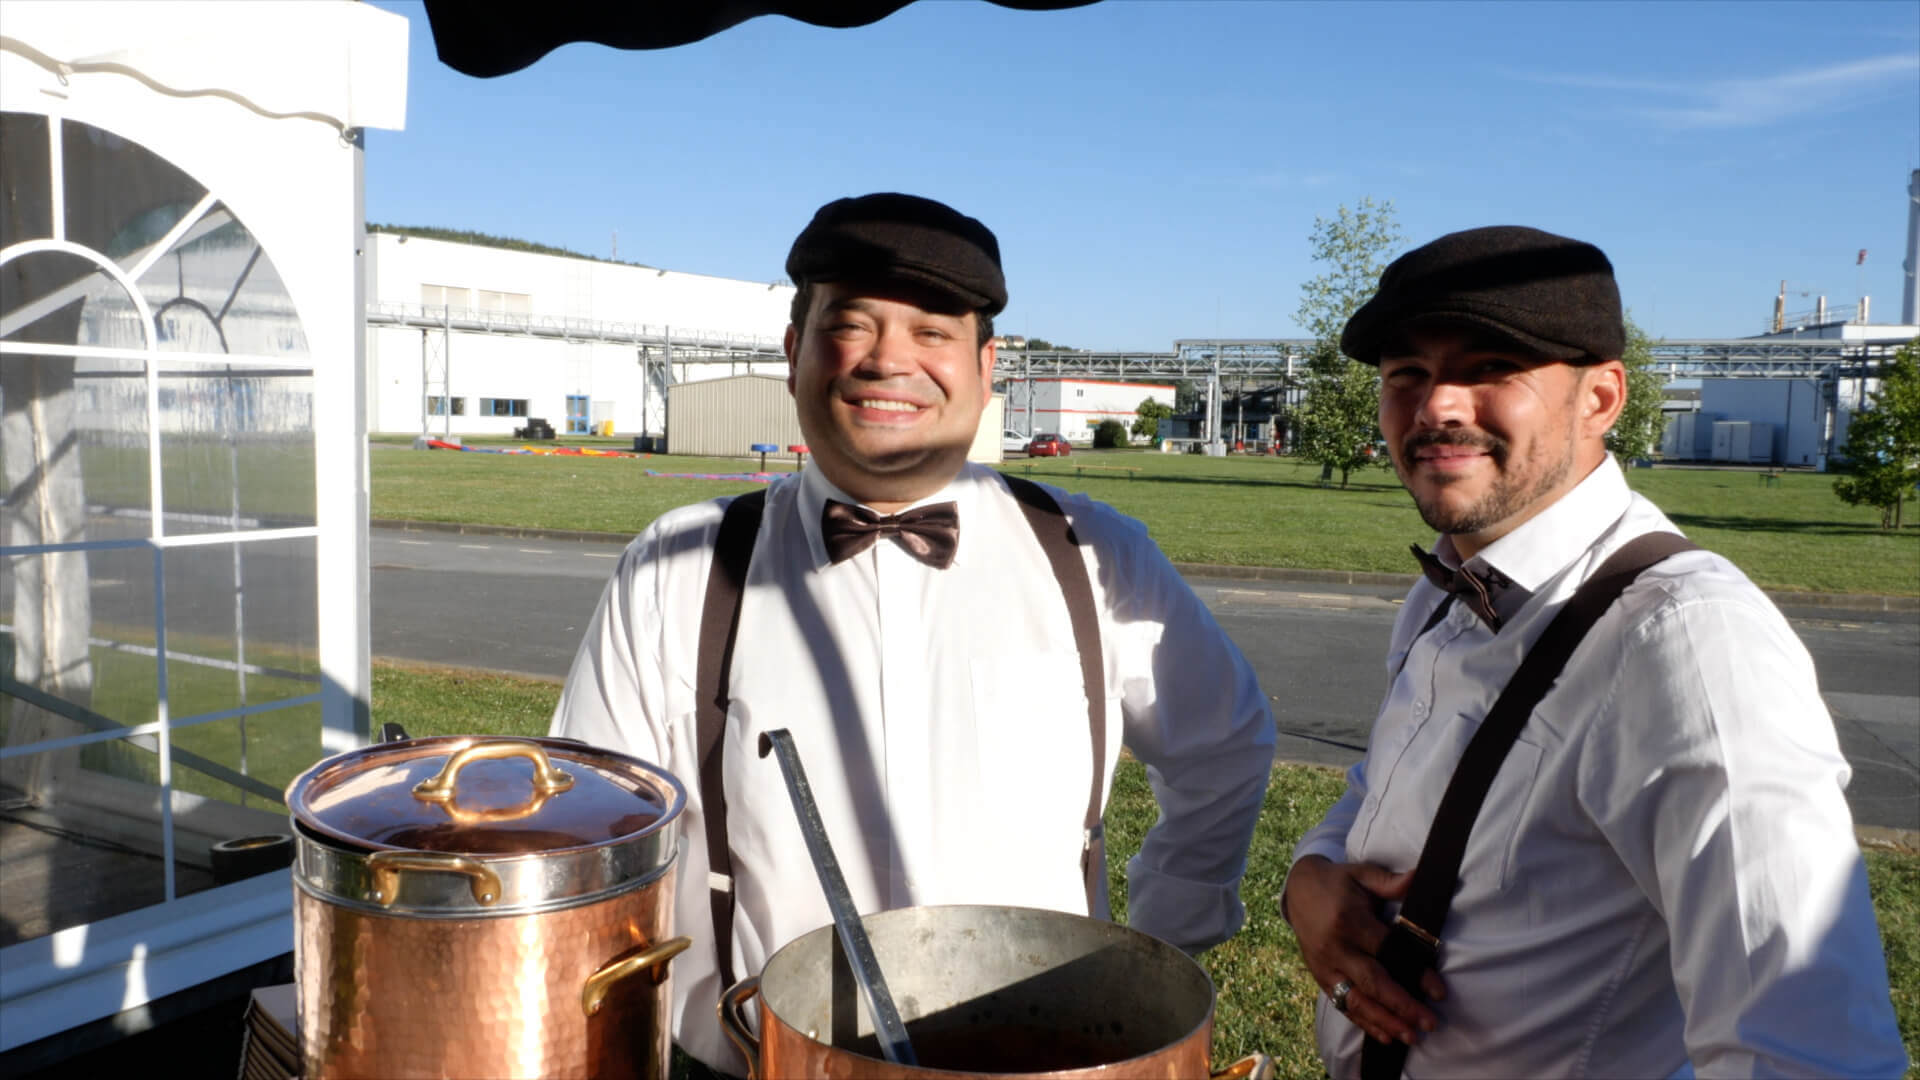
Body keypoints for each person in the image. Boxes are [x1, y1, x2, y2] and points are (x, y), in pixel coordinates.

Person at [552, 193, 1276, 1076]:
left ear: (986, 364)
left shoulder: (1094, 554)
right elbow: (588, 837)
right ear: (793, 354)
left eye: (932, 331)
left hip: (1039, 1054)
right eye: (851, 325)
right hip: (753, 1063)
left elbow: (1225, 743)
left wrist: (1153, 948)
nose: (889, 359)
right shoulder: (677, 564)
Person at [1281, 225, 1907, 1078]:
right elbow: (1383, 785)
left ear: (1602, 399)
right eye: (1409, 374)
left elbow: (1804, 1048)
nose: (1437, 408)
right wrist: (1314, 874)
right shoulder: (1449, 588)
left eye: (1488, 368)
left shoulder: (1687, 638)